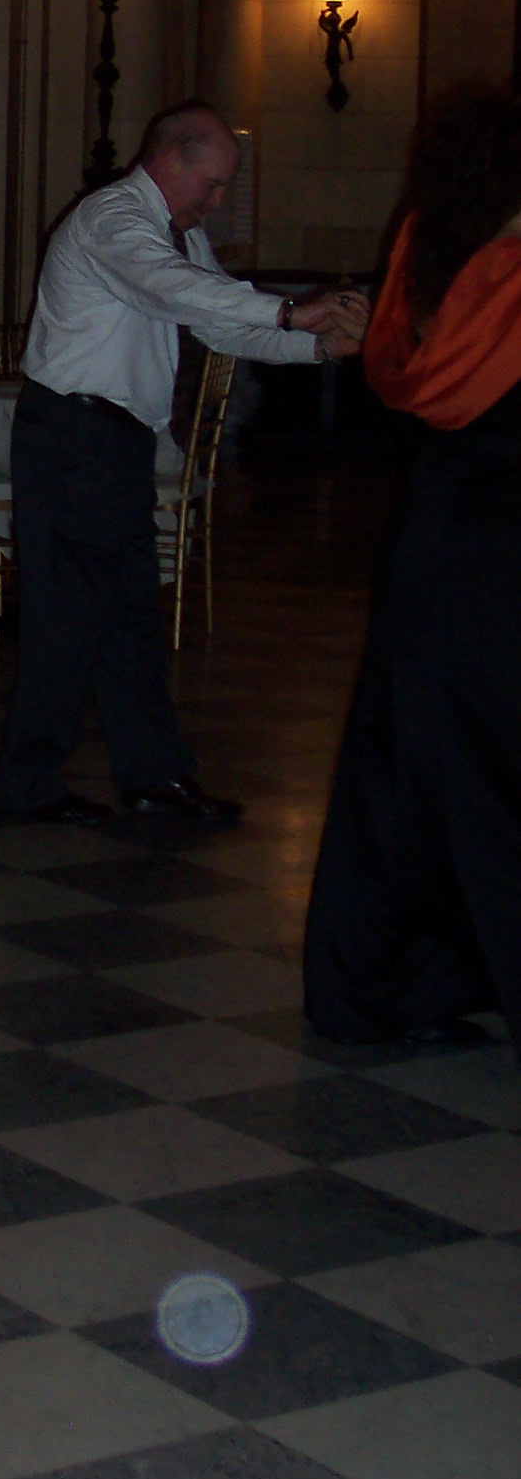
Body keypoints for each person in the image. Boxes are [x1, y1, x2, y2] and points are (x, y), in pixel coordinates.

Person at [0, 99, 368, 828]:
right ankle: (30, 784)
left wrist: (316, 346)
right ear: (170, 159)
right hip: (73, 437)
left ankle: (152, 777)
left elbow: (217, 323)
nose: (218, 201)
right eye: (214, 183)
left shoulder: (176, 233)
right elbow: (167, 285)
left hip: (110, 443)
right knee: (69, 615)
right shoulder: (114, 219)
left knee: (130, 611)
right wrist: (290, 311)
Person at [304, 88, 521, 1055]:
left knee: (403, 766)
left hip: (435, 533)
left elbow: (406, 374)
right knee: (481, 773)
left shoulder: (429, 250)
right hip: (495, 551)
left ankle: (381, 987)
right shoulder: (508, 273)